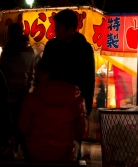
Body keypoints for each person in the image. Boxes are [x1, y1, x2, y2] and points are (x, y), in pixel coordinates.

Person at [37, 9, 95, 159]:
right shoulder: (51, 46)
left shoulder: (84, 49)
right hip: (51, 106)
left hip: (74, 108)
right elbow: (43, 73)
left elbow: (88, 80)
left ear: (70, 29)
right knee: (51, 147)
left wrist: (85, 108)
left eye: (57, 28)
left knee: (73, 149)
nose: (54, 31)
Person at [18, 64, 87, 162]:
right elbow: (80, 132)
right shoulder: (77, 99)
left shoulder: (32, 98)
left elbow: (23, 127)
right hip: (65, 155)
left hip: (35, 154)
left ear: (46, 74)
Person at [0, 23, 35, 154]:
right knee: (22, 122)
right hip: (23, 93)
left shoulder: (6, 51)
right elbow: (32, 73)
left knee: (9, 122)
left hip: (8, 94)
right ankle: (23, 149)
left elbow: (1, 73)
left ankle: (11, 148)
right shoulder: (30, 51)